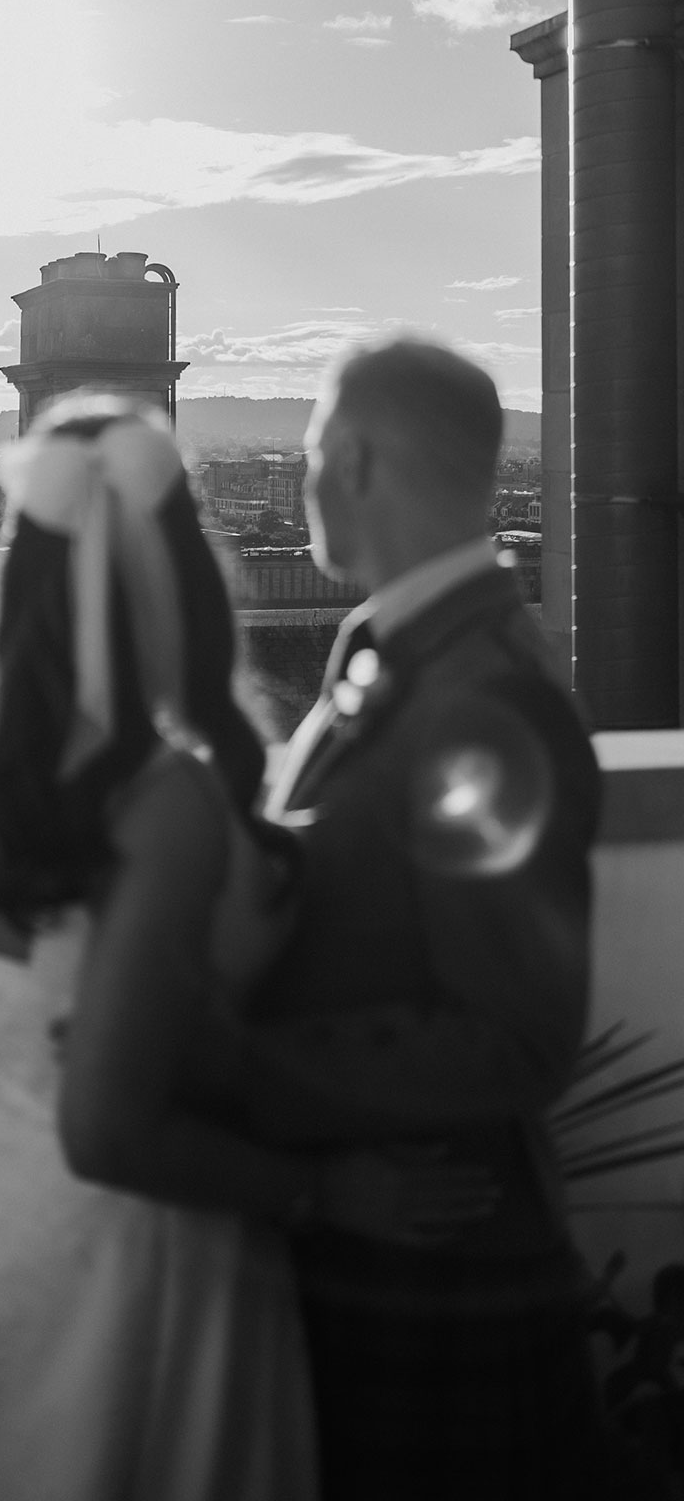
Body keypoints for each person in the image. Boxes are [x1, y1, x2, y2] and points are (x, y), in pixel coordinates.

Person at [0, 391, 491, 1501]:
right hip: (148, 1241)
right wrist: (325, 1191)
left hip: (2, 1195)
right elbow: (108, 1125)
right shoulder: (168, 801)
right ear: (184, 571)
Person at [238, 338, 609, 1499]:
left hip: (436, 1275)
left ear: (350, 460)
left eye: (305, 455)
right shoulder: (407, 652)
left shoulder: (481, 705)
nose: (300, 480)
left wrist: (234, 1071)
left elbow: (517, 1037)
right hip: (389, 1258)